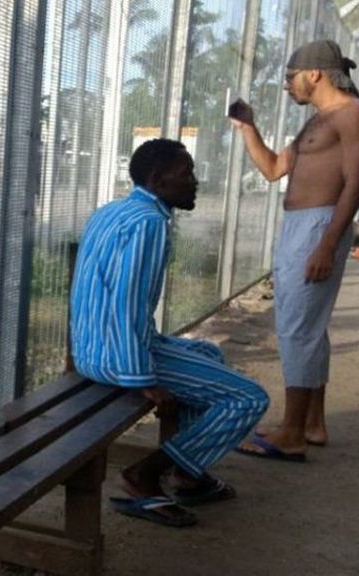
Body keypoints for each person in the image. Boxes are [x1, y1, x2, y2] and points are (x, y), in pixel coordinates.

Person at [70, 139, 269, 527]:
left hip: (93, 347)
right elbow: (126, 303)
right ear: (157, 179)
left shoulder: (114, 210)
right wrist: (141, 378)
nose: (194, 181)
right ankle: (144, 476)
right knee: (249, 398)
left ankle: (188, 475)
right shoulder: (149, 224)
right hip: (115, 356)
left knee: (209, 354)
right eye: (186, 173)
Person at [231, 40, 359, 459]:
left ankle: (291, 434)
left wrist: (327, 243)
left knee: (296, 329)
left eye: (291, 76)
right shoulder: (317, 122)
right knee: (308, 327)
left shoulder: (351, 114)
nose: (287, 84)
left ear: (315, 73)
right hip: (301, 227)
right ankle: (312, 424)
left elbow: (356, 182)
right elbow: (273, 169)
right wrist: (248, 127)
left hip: (319, 226)